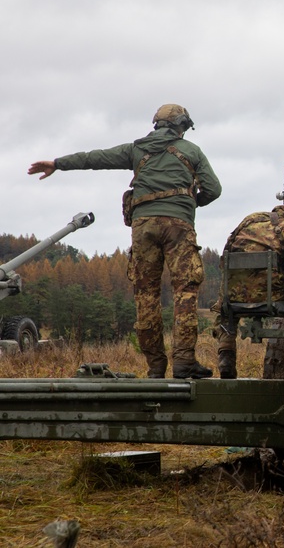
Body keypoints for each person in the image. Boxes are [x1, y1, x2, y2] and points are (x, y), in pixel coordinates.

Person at [28, 104, 222, 379]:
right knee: (185, 294)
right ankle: (184, 364)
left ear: (156, 124)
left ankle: (155, 367)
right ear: (182, 125)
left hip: (143, 229)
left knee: (146, 296)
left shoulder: (135, 149)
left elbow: (95, 158)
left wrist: (58, 164)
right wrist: (188, 203)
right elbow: (214, 189)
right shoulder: (192, 151)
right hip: (178, 227)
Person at [211, 191, 284, 381]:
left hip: (233, 292)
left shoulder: (250, 220)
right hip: (271, 294)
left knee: (226, 312)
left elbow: (226, 254)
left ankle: (226, 360)